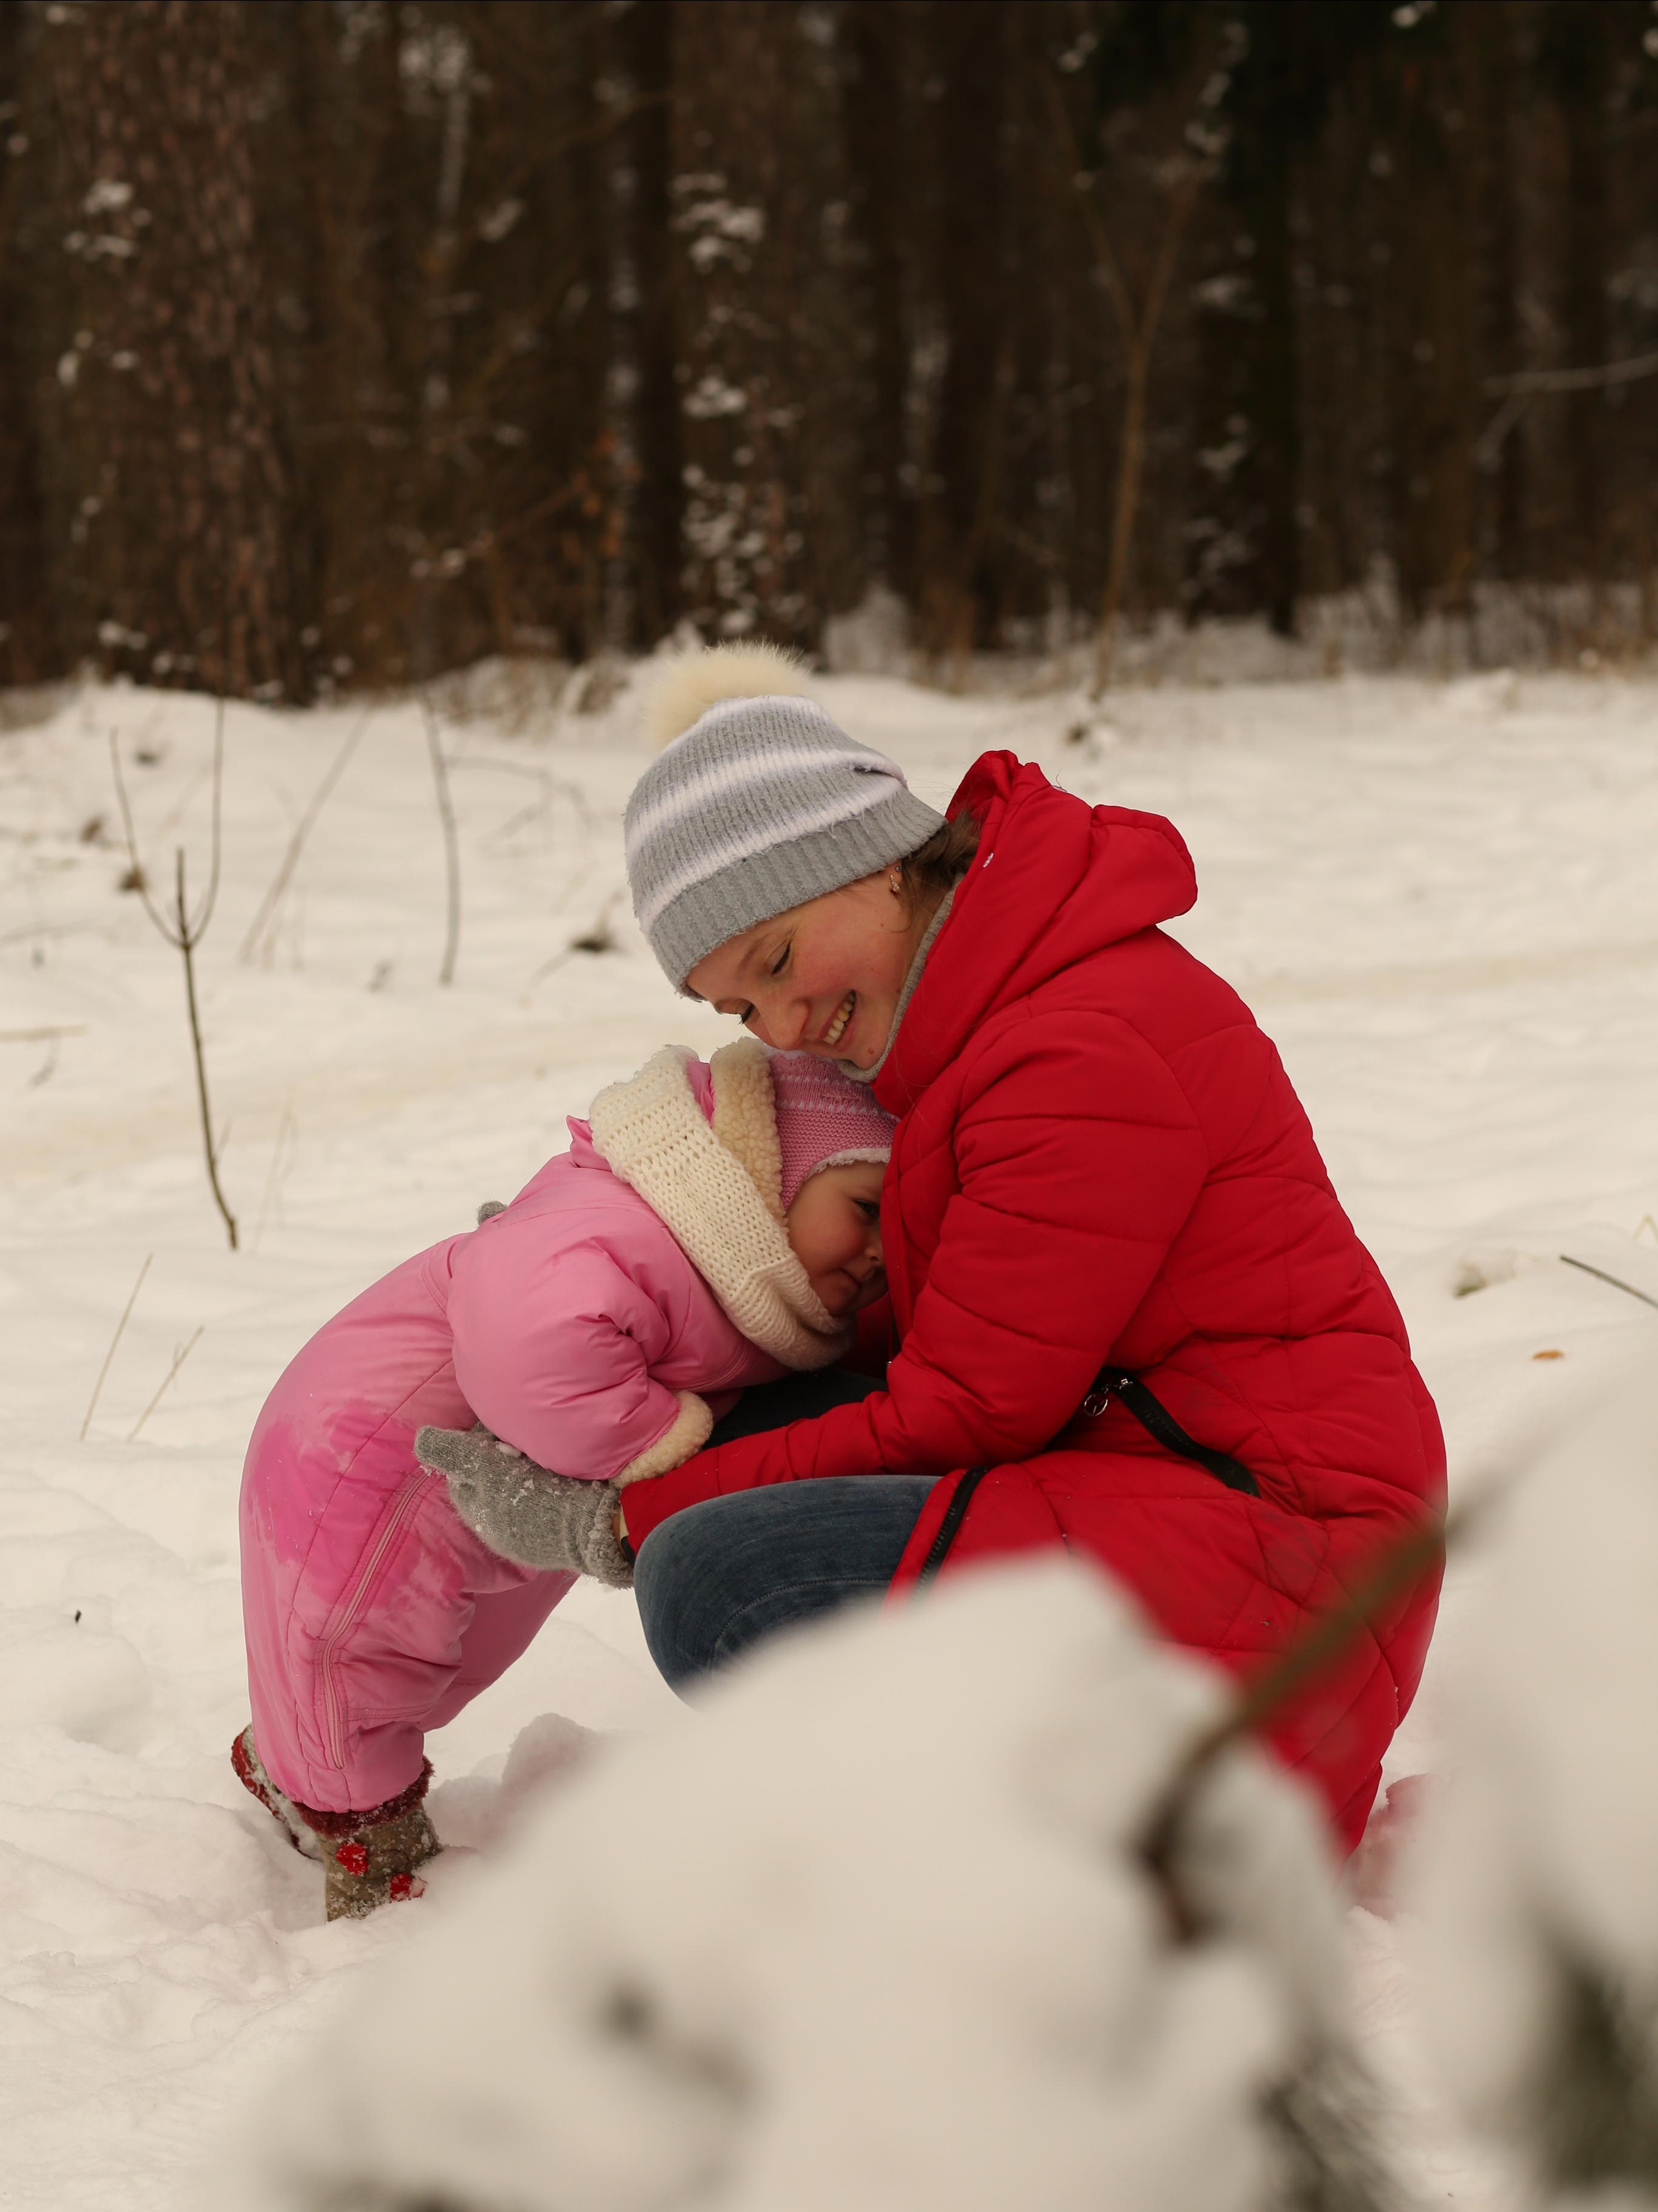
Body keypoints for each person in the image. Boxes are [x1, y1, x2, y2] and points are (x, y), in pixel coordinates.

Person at [424, 642, 1446, 1856]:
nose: (783, 1027)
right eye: (740, 1008)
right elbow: (941, 1335)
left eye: (780, 961)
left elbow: (965, 1407)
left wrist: (627, 1519)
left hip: (1290, 1566)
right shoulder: (983, 1018)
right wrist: (600, 1282)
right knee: (755, 1419)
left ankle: (1016, 1865)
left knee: (721, 1579)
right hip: (1164, 1471)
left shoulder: (1072, 1048)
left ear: (875, 861)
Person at [232, 1036, 894, 1917]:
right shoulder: (646, 1227)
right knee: (352, 1656)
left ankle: (297, 1767)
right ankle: (368, 1852)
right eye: (864, 1208)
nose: (879, 1250)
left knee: (448, 1659)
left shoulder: (734, 1265)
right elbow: (530, 1332)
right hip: (369, 1467)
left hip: (491, 1480)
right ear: (774, 1172)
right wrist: (661, 1442)